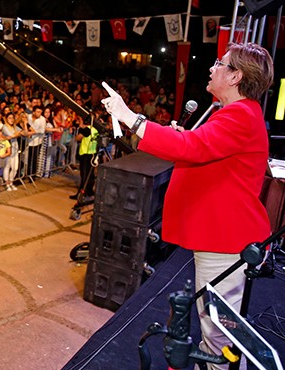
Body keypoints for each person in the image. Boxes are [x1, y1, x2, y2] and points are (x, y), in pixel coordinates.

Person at [102, 43, 274, 370]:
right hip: (218, 237)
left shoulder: (240, 115)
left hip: (225, 240)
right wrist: (178, 141)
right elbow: (195, 151)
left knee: (218, 332)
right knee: (213, 327)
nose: (212, 68)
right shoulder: (237, 114)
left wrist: (128, 117)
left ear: (236, 76)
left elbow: (192, 148)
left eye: (220, 63)